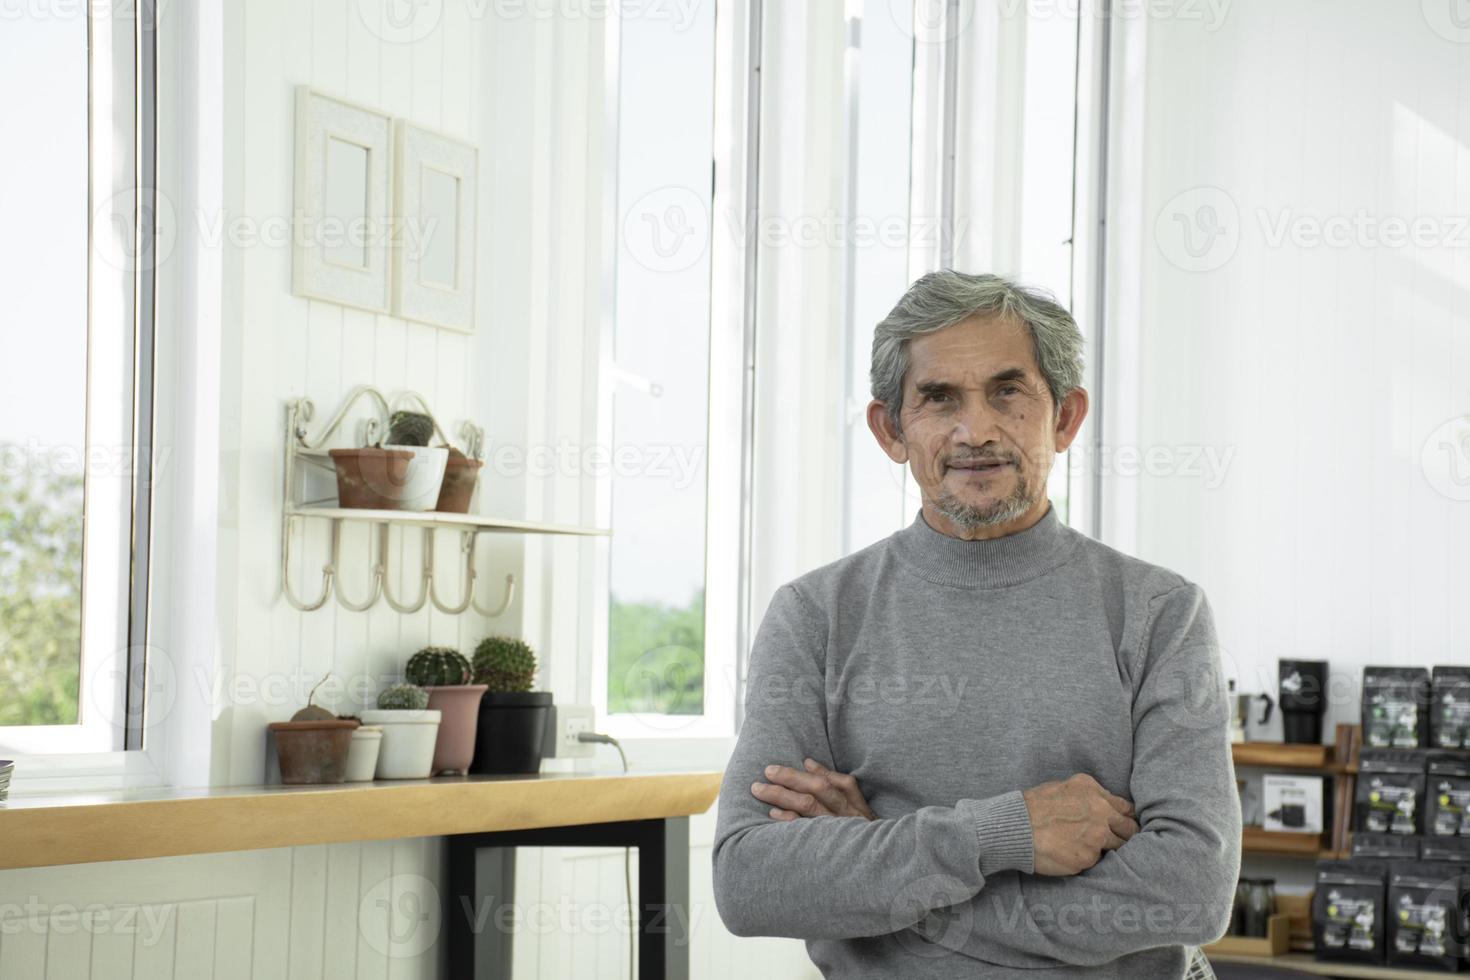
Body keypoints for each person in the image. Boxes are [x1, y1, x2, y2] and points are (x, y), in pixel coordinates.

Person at [711, 271, 1242, 978]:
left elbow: (1188, 891)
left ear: (1066, 417)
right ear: (891, 430)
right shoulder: (816, 616)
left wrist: (895, 876)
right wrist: (1005, 833)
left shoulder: (1159, 612)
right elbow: (751, 882)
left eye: (1007, 392)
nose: (976, 431)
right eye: (938, 398)